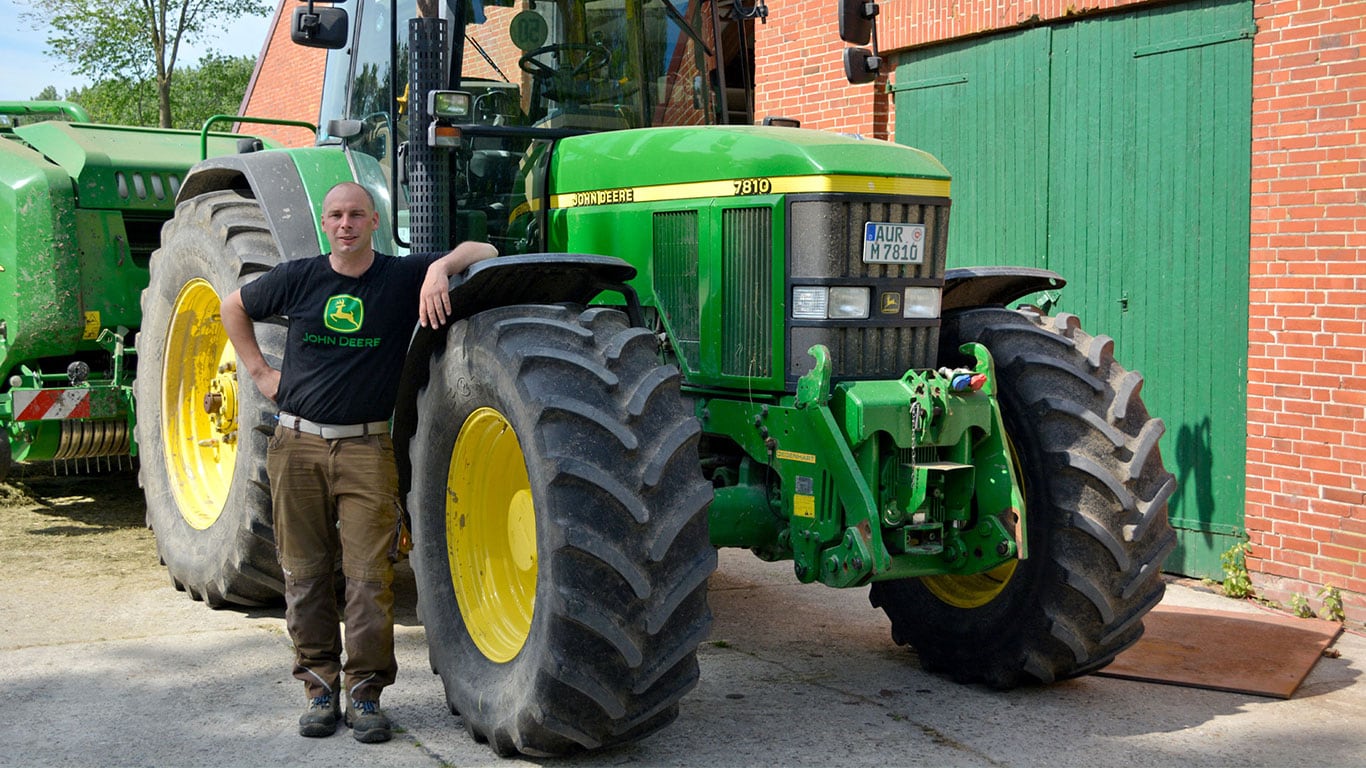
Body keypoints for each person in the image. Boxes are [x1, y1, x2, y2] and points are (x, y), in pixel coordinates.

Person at [220, 181, 496, 743]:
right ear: (325, 224)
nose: (345, 224)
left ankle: (365, 693)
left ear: (374, 220)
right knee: (304, 573)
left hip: (368, 448)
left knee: (370, 580)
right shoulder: (299, 277)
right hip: (296, 445)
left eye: (355, 215)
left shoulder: (398, 278)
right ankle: (319, 688)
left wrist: (441, 267)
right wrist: (258, 373)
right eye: (335, 215)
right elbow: (233, 306)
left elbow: (486, 252)